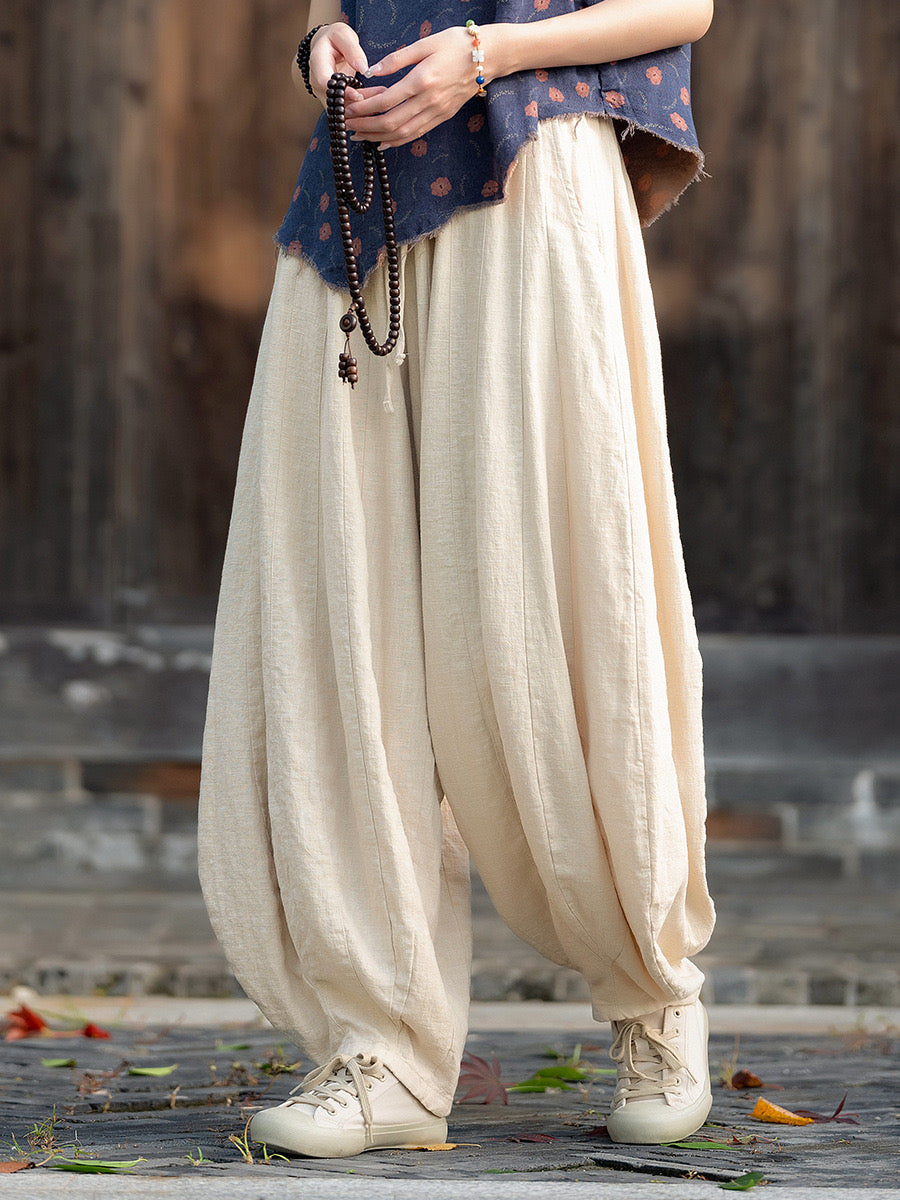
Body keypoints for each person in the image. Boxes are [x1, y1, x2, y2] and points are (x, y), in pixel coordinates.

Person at [197, 0, 717, 1159]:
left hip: (533, 161)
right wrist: (322, 43)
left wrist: (484, 56)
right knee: (341, 598)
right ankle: (381, 1042)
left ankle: (651, 992)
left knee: (555, 587)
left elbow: (685, 5)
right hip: (362, 185)